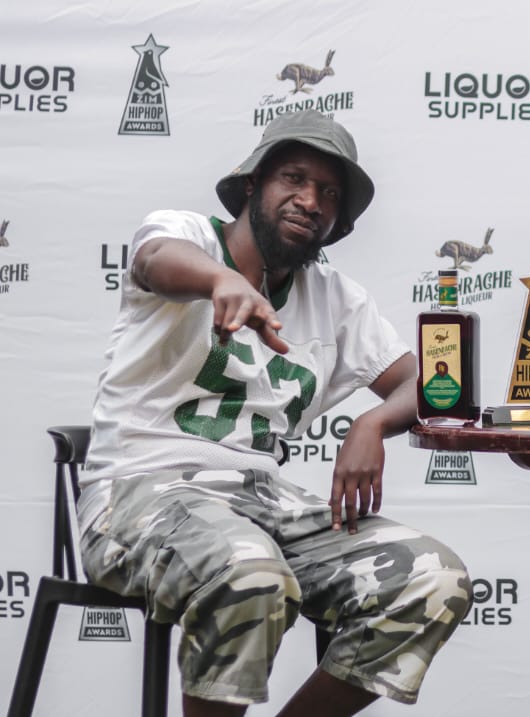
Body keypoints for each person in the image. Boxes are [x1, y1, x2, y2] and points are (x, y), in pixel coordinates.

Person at [77, 110, 472, 717]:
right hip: (139, 492)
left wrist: (372, 423)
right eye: (294, 178)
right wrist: (220, 281)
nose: (310, 200)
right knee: (250, 572)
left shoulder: (336, 296)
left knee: (432, 579)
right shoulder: (189, 235)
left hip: (262, 502)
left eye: (329, 193)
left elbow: (428, 385)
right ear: (253, 184)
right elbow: (156, 258)